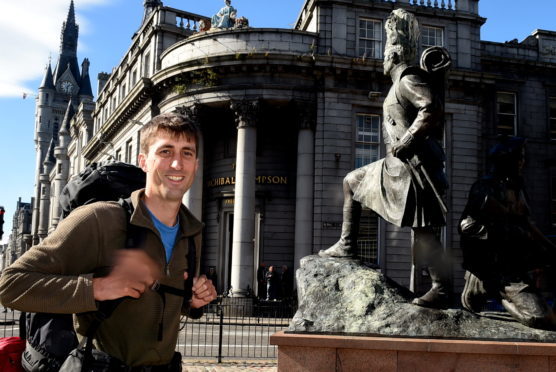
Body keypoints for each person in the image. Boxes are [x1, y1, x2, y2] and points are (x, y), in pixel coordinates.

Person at [0, 112, 217, 370]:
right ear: (144, 161)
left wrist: (191, 302)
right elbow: (9, 285)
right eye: (166, 151)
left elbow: (156, 302)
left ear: (196, 163)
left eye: (187, 153)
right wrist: (98, 288)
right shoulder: (100, 219)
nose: (177, 164)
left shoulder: (192, 231)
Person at [319, 9, 452, 309]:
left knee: (424, 230)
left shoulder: (407, 79)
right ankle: (348, 244)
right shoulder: (396, 85)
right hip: (399, 166)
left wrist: (407, 140)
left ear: (393, 56)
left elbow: (430, 109)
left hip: (412, 167)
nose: (381, 59)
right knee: (352, 182)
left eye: (384, 53)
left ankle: (441, 288)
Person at [459, 137, 556, 329]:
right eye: (518, 158)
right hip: (497, 269)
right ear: (505, 160)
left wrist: (551, 249)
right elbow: (466, 226)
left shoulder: (517, 188)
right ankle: (484, 285)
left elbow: (528, 224)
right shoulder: (484, 188)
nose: (522, 162)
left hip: (517, 265)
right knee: (541, 319)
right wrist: (506, 232)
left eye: (522, 157)